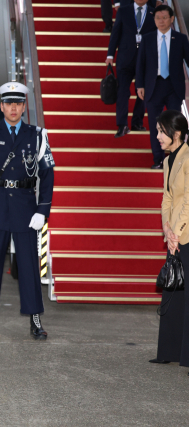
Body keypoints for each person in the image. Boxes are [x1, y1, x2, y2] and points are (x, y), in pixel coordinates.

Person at [0, 82, 55, 341]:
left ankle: (36, 321)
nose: (13, 108)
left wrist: (43, 209)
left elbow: (48, 173)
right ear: (2, 106)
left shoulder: (37, 134)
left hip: (26, 210)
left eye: (18, 103)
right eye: (9, 103)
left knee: (30, 267)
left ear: (23, 106)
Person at [152, 110, 189, 368]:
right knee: (173, 292)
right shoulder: (167, 161)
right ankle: (169, 350)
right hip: (174, 235)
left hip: (186, 234)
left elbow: (188, 199)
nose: (157, 137)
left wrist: (175, 230)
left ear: (176, 134)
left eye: (160, 132)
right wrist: (166, 228)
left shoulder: (188, 157)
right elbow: (167, 198)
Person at [136, 4, 189, 169]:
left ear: (172, 19)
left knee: (175, 125)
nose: (161, 21)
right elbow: (140, 64)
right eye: (158, 18)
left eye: (165, 17)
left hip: (174, 87)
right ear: (154, 19)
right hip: (153, 87)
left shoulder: (180, 38)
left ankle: (174, 158)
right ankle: (158, 159)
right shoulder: (148, 38)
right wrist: (139, 86)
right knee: (155, 125)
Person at [106, 0, 156, 138]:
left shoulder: (154, 13)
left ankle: (137, 122)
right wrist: (110, 54)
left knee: (143, 92)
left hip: (145, 60)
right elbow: (115, 33)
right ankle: (122, 125)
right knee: (122, 91)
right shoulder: (123, 10)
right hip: (125, 58)